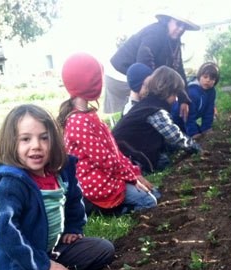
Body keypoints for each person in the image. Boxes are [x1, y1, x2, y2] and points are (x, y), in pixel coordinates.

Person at [0, 104, 115, 270]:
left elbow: (73, 201)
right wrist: (42, 266)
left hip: (52, 248)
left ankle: (51, 266)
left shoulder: (59, 171)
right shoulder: (11, 183)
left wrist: (73, 228)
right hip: (20, 259)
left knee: (103, 249)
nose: (36, 146)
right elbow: (5, 232)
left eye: (43, 138)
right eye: (25, 139)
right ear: (11, 143)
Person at [57, 52, 160, 215]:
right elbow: (105, 160)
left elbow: (115, 154)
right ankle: (112, 209)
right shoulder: (78, 121)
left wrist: (134, 173)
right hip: (97, 182)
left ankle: (124, 202)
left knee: (155, 193)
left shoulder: (88, 115)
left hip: (108, 173)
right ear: (91, 82)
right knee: (148, 201)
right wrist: (132, 178)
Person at [103, 11, 201, 118]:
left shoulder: (174, 40)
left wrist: (184, 99)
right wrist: (153, 90)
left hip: (144, 75)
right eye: (178, 24)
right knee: (141, 109)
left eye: (184, 26)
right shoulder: (154, 33)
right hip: (122, 74)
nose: (181, 29)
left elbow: (177, 69)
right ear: (168, 21)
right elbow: (144, 63)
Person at [112, 66, 202, 173]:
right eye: (175, 94)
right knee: (163, 162)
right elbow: (175, 136)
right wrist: (195, 147)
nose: (176, 99)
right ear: (167, 91)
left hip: (122, 150)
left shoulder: (146, 104)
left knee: (164, 154)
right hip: (127, 156)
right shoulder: (155, 110)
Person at [172, 62, 220, 138]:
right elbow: (189, 115)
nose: (208, 80)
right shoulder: (192, 92)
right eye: (205, 77)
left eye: (212, 79)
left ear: (215, 81)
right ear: (199, 76)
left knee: (201, 133)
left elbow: (209, 111)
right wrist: (193, 133)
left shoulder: (211, 91)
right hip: (177, 118)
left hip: (190, 118)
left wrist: (207, 128)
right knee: (184, 138)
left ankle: (201, 129)